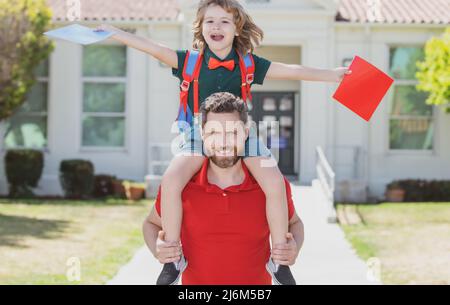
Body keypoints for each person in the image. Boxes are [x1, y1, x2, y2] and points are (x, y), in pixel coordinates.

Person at [96, 0, 348, 285]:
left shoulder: (248, 64)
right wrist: (114, 33)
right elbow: (151, 47)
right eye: (210, 21)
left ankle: (278, 261)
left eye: (224, 21)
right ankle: (174, 258)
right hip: (197, 133)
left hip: (241, 134)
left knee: (275, 181)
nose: (216, 26)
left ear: (236, 28)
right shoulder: (188, 61)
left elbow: (293, 70)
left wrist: (331, 76)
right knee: (172, 180)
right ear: (200, 28)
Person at [142, 92, 304, 285]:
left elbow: (294, 224)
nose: (223, 142)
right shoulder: (182, 186)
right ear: (202, 134)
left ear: (245, 133)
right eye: (214, 133)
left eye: (232, 133)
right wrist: (158, 249)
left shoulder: (269, 185)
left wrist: (292, 249)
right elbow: (151, 225)